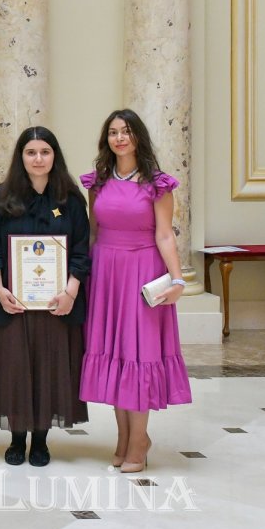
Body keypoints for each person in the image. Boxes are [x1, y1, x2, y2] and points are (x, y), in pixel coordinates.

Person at [78, 109, 190, 473]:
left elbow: (164, 234)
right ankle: (123, 437)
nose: (119, 138)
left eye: (126, 131)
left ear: (138, 136)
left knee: (137, 352)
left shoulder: (158, 184)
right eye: (113, 132)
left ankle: (139, 441)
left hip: (142, 271)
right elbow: (94, 231)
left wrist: (177, 279)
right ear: (106, 139)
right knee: (113, 353)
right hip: (106, 272)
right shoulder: (98, 181)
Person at [0, 126, 90, 467]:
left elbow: (83, 251)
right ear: (21, 157)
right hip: (12, 301)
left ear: (54, 155)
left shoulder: (70, 199)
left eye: (44, 151)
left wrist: (71, 292)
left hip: (57, 303)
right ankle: (16, 439)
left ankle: (41, 440)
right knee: (15, 367)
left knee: (50, 366)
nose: (38, 158)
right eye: (31, 152)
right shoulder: (2, 195)